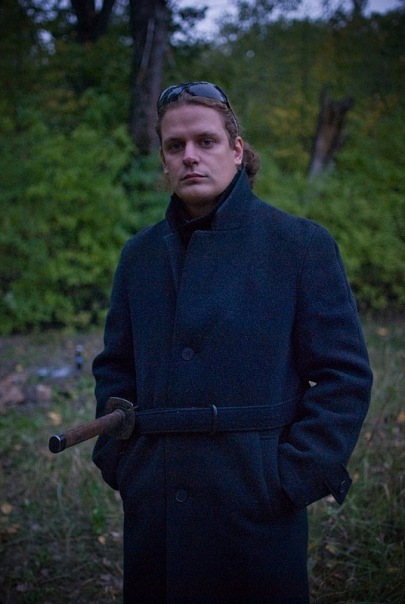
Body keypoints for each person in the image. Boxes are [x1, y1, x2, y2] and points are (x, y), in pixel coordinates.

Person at [92, 81, 373, 604]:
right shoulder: (139, 256)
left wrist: (289, 477)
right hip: (158, 504)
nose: (190, 156)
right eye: (175, 146)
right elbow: (115, 369)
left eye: (206, 141)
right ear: (163, 160)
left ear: (237, 150)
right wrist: (123, 462)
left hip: (256, 506)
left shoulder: (299, 245)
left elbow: (344, 377)